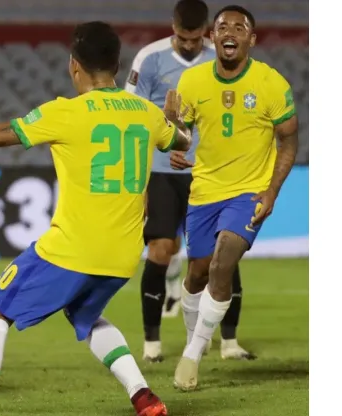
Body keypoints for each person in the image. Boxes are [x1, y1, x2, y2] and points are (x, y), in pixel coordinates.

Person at [0, 21, 192, 416]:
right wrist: (175, 121)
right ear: (116, 63)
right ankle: (143, 396)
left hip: (71, 249)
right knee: (85, 313)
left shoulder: (65, 112)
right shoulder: (147, 113)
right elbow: (180, 139)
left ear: (73, 65)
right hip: (123, 255)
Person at [170, 5, 298, 391]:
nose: (229, 32)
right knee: (195, 273)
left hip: (247, 193)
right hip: (204, 191)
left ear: (251, 39)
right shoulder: (191, 82)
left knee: (222, 263)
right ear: (212, 37)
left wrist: (271, 190)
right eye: (222, 26)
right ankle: (197, 335)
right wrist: (175, 139)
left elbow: (289, 139)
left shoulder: (271, 84)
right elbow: (181, 134)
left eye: (239, 27)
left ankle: (190, 356)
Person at [125, 0, 253, 362]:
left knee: (225, 252)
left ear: (207, 33)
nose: (189, 45)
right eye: (183, 37)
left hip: (209, 173)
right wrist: (148, 167)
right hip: (163, 172)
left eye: (196, 39)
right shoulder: (149, 59)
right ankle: (152, 344)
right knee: (161, 249)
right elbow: (134, 117)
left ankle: (229, 342)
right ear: (173, 28)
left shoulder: (222, 59)